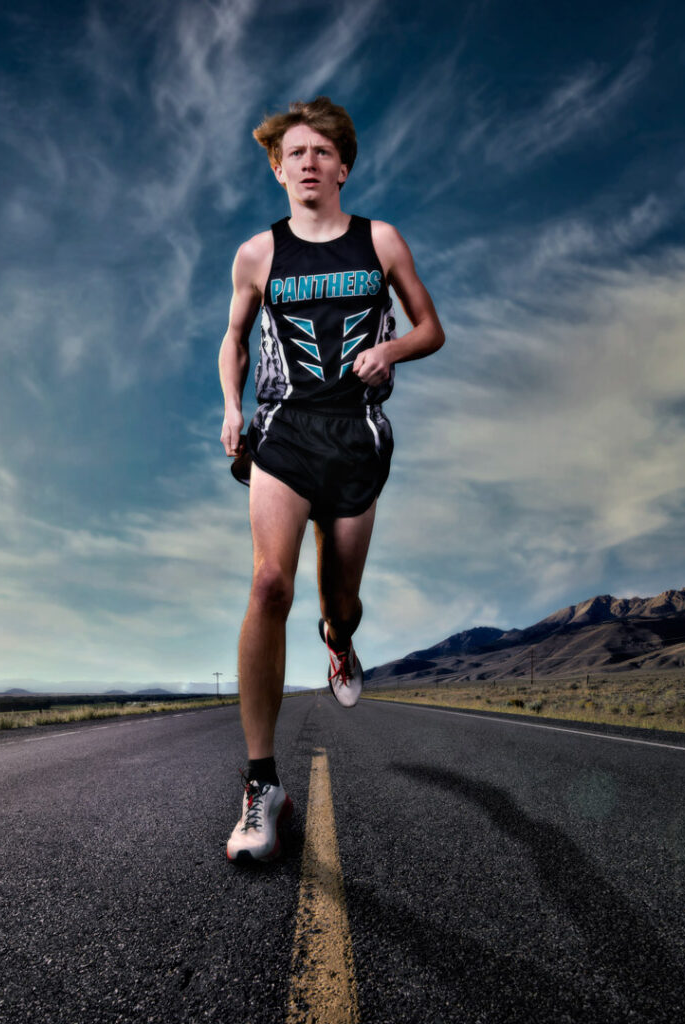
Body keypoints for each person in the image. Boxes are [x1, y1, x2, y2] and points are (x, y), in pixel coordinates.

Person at [218, 97, 444, 863]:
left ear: (343, 167)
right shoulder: (256, 254)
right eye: (295, 153)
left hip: (358, 437)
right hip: (283, 434)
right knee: (267, 585)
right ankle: (261, 787)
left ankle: (338, 638)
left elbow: (430, 327)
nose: (308, 162)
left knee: (338, 599)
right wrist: (228, 409)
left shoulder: (380, 240)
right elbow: (235, 340)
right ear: (278, 169)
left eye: (322, 151)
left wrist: (393, 353)